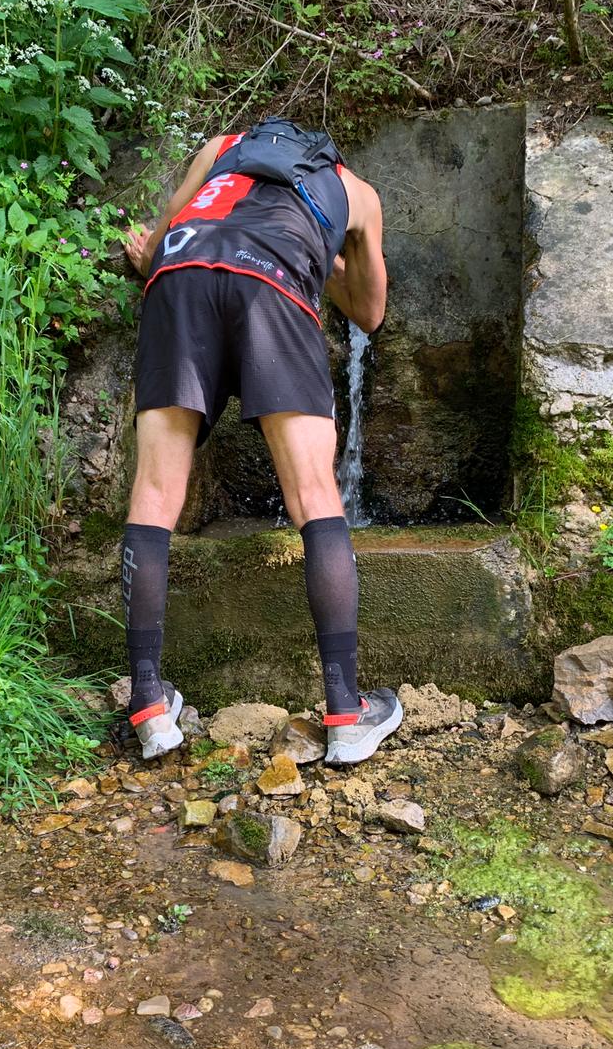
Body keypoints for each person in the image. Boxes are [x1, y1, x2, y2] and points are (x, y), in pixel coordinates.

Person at [117, 119, 403, 766]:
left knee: (157, 491)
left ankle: (149, 707)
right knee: (313, 494)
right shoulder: (355, 192)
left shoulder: (222, 147)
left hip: (181, 274)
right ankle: (345, 711)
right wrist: (321, 252)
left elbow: (159, 240)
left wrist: (151, 255)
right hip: (272, 285)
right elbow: (369, 311)